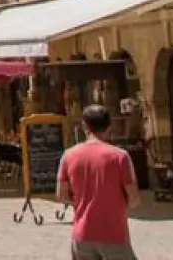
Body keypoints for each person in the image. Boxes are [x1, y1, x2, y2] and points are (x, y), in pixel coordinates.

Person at [57, 103, 140, 260]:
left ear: (84, 126)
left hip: (82, 235)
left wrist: (80, 203)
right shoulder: (120, 157)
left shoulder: (68, 156)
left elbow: (61, 195)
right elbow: (134, 199)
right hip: (114, 234)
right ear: (109, 127)